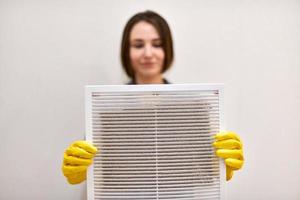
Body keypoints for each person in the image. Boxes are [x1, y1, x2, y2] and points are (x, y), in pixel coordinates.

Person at [62, 10, 244, 185]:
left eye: (157, 44)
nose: (148, 54)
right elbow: (99, 168)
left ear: (168, 50)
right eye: (138, 45)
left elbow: (203, 170)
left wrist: (220, 167)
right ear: (127, 51)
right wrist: (82, 170)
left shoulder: (191, 109)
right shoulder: (108, 108)